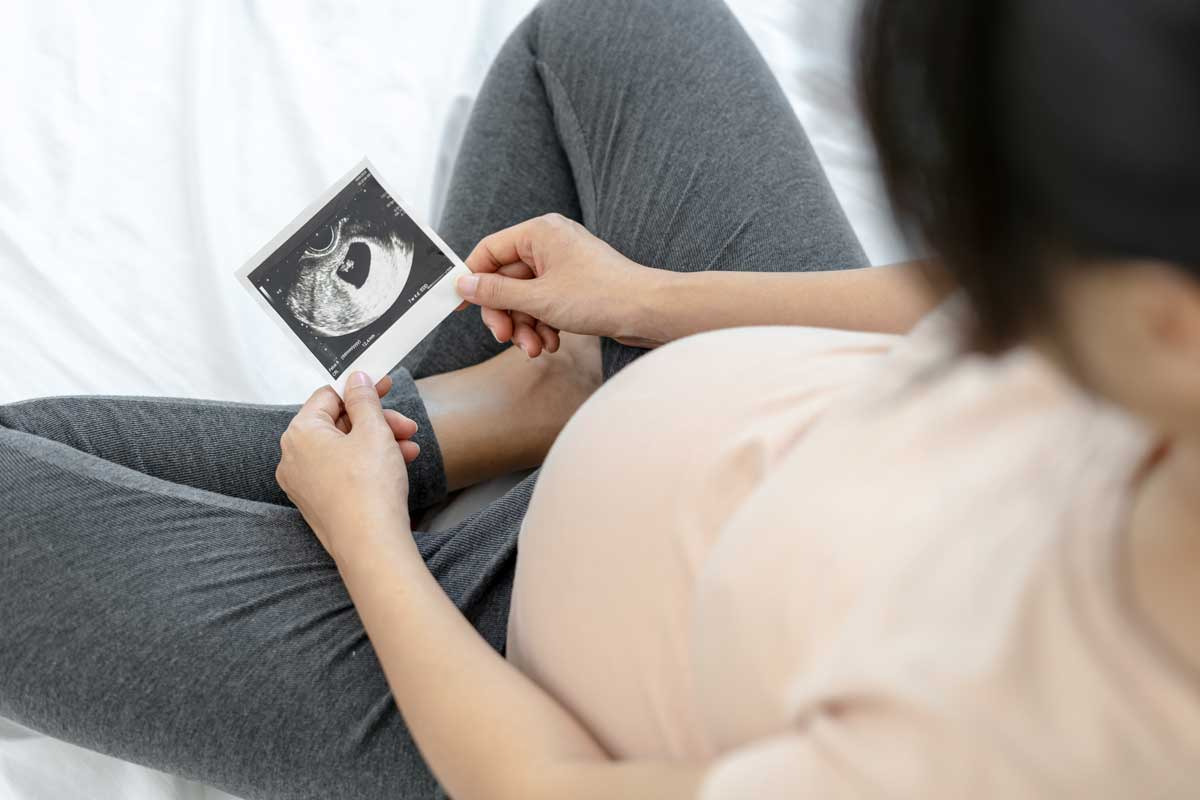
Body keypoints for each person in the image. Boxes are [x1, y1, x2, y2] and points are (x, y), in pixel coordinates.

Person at [2, 1, 1196, 799]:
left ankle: (459, 432)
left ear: (1160, 325)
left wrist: (371, 540)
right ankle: (517, 406)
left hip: (500, 671)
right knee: (616, 23)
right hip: (771, 407)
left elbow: (549, 786)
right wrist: (652, 300)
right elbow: (960, 303)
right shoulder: (1151, 314)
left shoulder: (1010, 749)